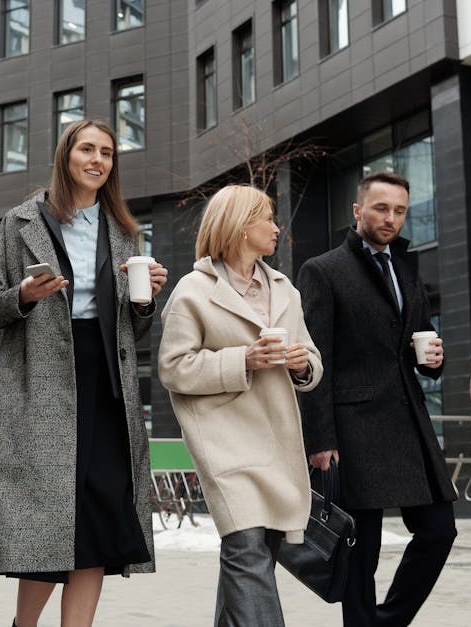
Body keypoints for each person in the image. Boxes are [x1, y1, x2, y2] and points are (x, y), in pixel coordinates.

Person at [0, 119, 167, 627]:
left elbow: (133, 328)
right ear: (66, 155)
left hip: (107, 381)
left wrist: (147, 297)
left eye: (107, 153)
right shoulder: (21, 222)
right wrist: (23, 296)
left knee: (102, 514)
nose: (98, 160)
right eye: (88, 149)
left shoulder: (126, 231)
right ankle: (24, 626)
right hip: (42, 382)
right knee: (49, 517)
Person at [295, 171, 457, 626]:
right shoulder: (322, 270)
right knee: (360, 552)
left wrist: (433, 360)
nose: (391, 218)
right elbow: (315, 362)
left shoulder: (407, 266)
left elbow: (419, 342)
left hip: (409, 423)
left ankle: (385, 621)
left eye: (400, 211)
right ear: (358, 210)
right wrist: (320, 439)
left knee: (439, 531)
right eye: (381, 208)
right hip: (353, 430)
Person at [158, 185, 322, 626]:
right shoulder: (193, 290)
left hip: (276, 440)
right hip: (224, 440)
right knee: (246, 546)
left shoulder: (285, 289)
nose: (276, 227)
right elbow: (173, 368)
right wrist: (243, 359)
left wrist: (302, 364)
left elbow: (311, 359)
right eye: (267, 218)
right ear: (239, 224)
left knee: (257, 551)